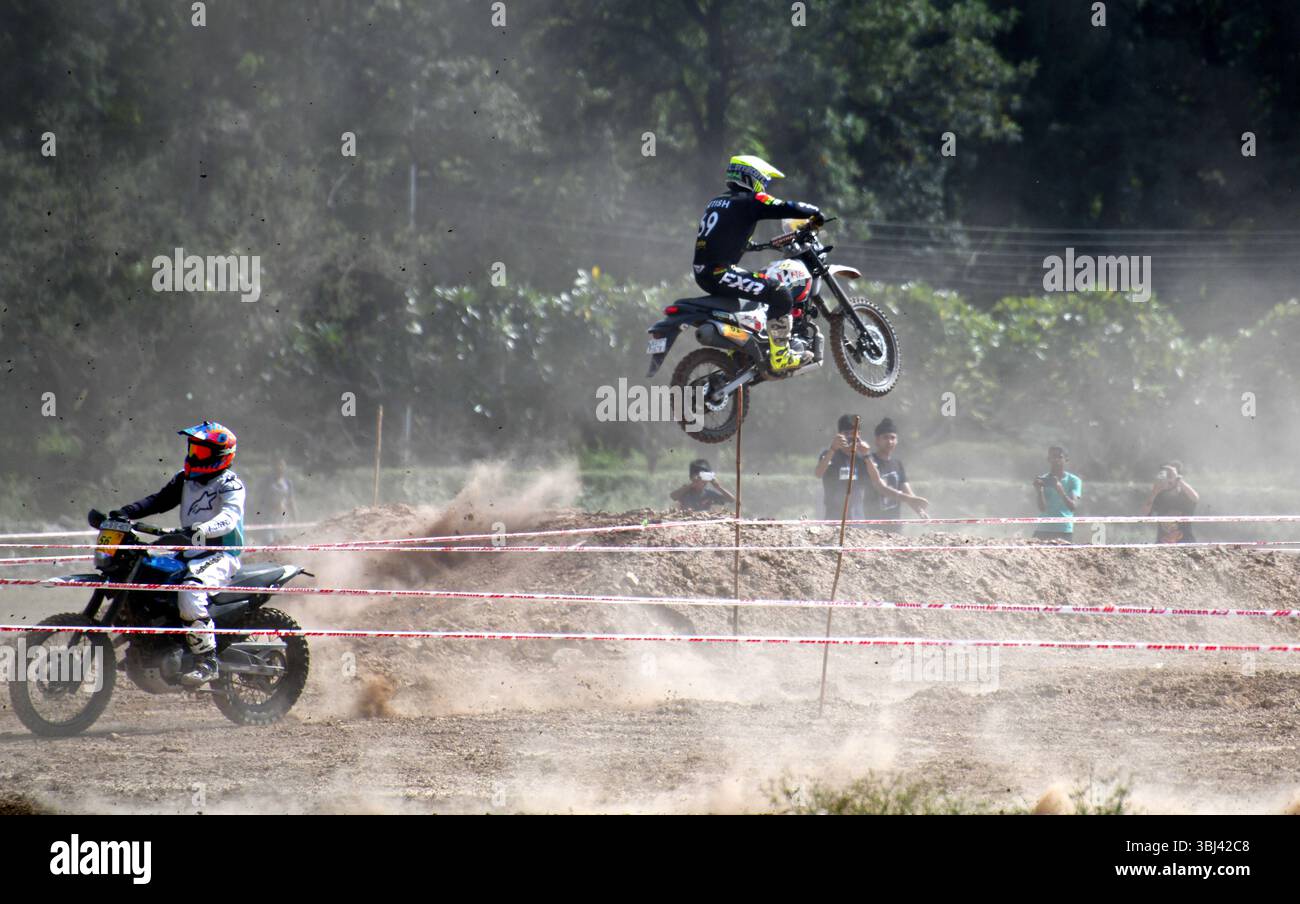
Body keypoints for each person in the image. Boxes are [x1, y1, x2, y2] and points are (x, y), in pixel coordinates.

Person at [110, 421, 245, 686]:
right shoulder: (185, 478)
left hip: (220, 553)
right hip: (189, 550)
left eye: (202, 451)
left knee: (190, 590)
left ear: (220, 454)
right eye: (192, 448)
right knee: (143, 574)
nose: (194, 455)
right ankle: (148, 643)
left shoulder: (230, 484)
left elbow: (229, 518)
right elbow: (158, 501)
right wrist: (124, 512)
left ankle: (208, 661)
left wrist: (198, 530)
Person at [692, 154, 824, 372]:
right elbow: (784, 206)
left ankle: (743, 349)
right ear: (751, 178)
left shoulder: (717, 202)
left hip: (705, 273)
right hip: (720, 273)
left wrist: (752, 245)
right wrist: (814, 213)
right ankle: (781, 356)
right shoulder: (749, 201)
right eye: (763, 181)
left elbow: (723, 235)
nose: (763, 187)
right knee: (780, 293)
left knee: (755, 303)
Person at [862, 417, 929, 533]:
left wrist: (920, 511)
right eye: (885, 438)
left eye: (893, 438)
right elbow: (882, 488)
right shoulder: (869, 461)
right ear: (877, 440)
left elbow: (907, 490)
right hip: (873, 526)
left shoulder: (897, 464)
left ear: (897, 441)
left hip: (895, 525)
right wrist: (912, 499)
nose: (889, 442)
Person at [815, 415, 871, 521]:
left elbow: (876, 480)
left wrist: (866, 455)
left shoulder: (862, 457)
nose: (851, 437)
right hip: (834, 516)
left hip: (857, 518)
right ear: (840, 435)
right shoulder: (829, 454)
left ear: (859, 435)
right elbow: (818, 473)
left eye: (853, 434)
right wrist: (832, 449)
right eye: (847, 434)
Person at [1032, 445, 1082, 541]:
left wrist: (1060, 489)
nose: (1056, 460)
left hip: (1063, 529)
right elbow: (1042, 508)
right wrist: (1039, 491)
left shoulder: (1074, 480)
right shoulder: (1044, 479)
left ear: (1066, 459)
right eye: (1053, 456)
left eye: (1060, 457)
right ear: (1048, 459)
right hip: (1043, 528)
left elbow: (1073, 506)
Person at [1144, 460, 1200, 543]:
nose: (1168, 479)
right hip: (1163, 544)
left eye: (1170, 475)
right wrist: (1155, 491)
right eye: (1166, 474)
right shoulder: (1159, 496)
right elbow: (1145, 514)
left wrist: (1177, 479)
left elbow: (1195, 498)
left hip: (1185, 544)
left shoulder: (1185, 496)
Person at [670, 458, 736, 512]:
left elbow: (731, 500)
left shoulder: (709, 494)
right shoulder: (686, 491)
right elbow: (673, 496)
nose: (701, 481)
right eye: (698, 477)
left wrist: (718, 487)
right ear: (691, 477)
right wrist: (692, 484)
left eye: (704, 477)